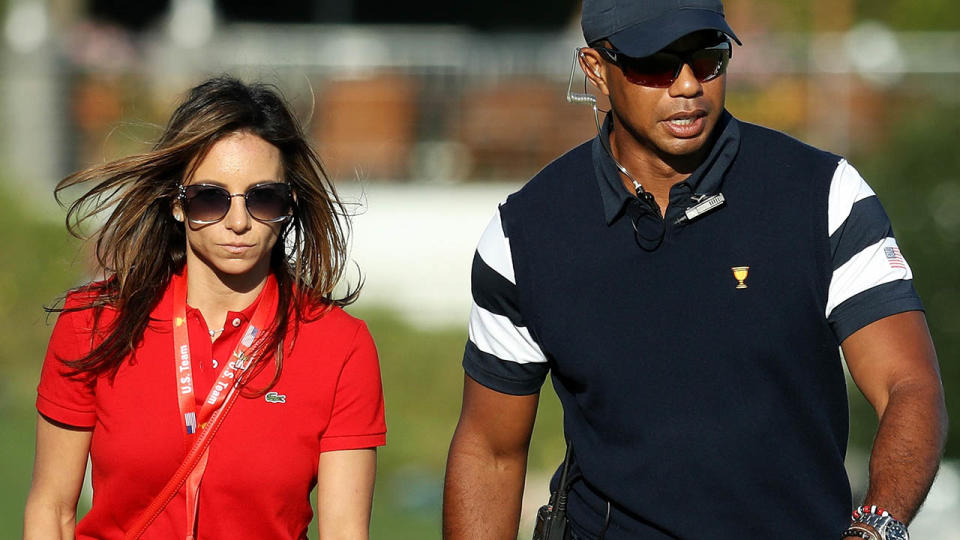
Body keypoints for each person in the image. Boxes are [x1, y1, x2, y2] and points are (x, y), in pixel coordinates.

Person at [443, 1, 946, 539]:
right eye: (656, 63)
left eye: (708, 58)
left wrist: (875, 527)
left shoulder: (825, 196)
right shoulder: (524, 234)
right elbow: (490, 452)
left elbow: (908, 386)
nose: (688, 85)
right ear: (595, 70)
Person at [23, 76, 386, 540]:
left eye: (264, 197)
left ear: (289, 204)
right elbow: (51, 511)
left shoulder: (340, 345)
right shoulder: (91, 321)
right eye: (210, 197)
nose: (238, 222)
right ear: (177, 205)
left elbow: (344, 533)